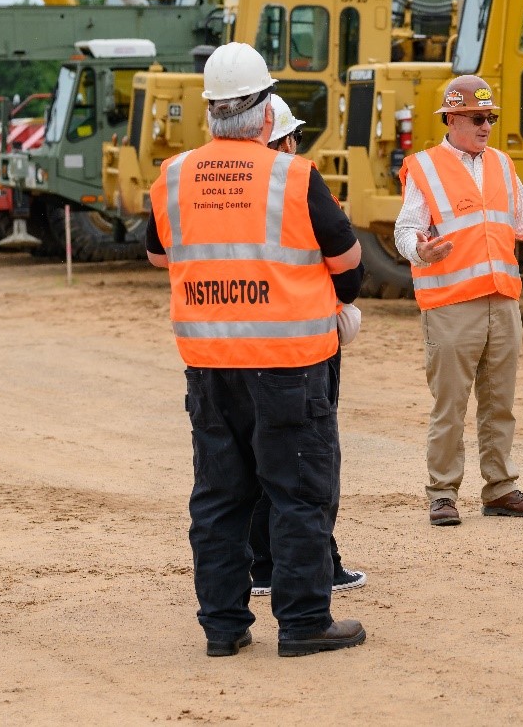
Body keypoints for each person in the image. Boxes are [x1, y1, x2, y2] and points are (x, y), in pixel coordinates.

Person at [146, 42, 366, 658]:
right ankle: (302, 624)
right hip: (290, 367)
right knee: (297, 494)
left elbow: (159, 253)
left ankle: (222, 626)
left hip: (211, 366)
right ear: (268, 115)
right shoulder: (295, 176)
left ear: (210, 113)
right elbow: (349, 266)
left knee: (219, 497)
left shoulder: (174, 175)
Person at [396, 75, 523, 526]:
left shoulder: (502, 164)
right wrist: (420, 249)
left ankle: (500, 488)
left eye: (490, 118)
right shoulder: (424, 167)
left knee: (500, 403)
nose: (486, 126)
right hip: (451, 305)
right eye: (478, 118)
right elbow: (406, 229)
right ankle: (442, 493)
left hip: (502, 302)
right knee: (450, 405)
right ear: (452, 118)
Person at [248, 94, 366, 597]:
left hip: (237, 346)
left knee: (252, 461)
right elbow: (349, 267)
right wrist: (339, 306)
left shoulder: (231, 190)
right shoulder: (300, 184)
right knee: (310, 467)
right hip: (305, 347)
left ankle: (262, 567)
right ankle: (319, 566)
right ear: (285, 139)